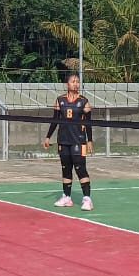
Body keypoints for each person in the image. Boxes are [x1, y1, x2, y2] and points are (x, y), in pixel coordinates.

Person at [43, 73, 94, 211]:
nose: (76, 84)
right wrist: (48, 137)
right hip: (63, 140)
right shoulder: (60, 100)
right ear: (67, 84)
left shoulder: (84, 102)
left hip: (79, 141)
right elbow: (54, 121)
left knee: (80, 168)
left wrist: (90, 140)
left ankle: (87, 199)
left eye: (78, 81)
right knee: (66, 169)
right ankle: (66, 197)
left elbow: (88, 124)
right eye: (73, 81)